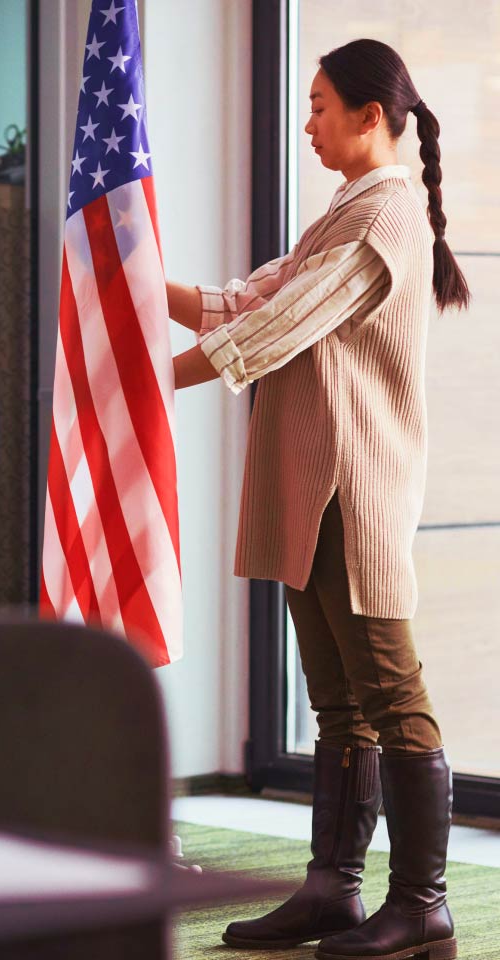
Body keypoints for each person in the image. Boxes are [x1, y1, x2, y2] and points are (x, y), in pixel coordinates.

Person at [165, 38, 469, 960]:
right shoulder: (346, 211)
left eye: (321, 104)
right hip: (311, 484)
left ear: (371, 116)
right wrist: (135, 289)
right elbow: (248, 300)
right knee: (337, 703)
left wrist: (147, 384)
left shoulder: (388, 219)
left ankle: (422, 904)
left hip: (354, 487)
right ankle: (333, 891)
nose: (307, 123)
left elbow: (281, 325)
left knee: (389, 690)